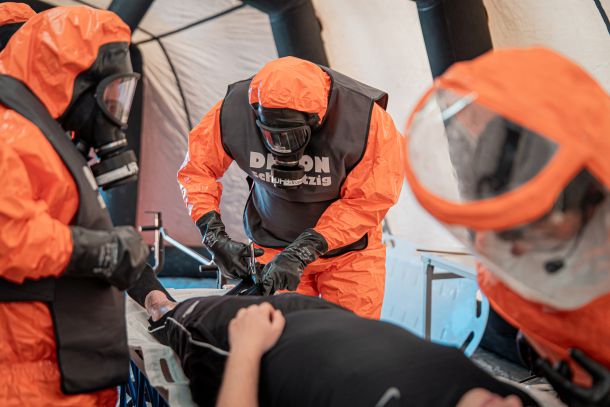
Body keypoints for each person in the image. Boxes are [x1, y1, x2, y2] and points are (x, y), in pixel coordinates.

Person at [403, 47, 610, 407]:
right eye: (509, 234)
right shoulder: (501, 262)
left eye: (533, 230)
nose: (516, 249)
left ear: (589, 193)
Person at [0, 6, 149, 406]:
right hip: (25, 378)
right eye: (110, 96)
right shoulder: (10, 132)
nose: (114, 114)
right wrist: (102, 250)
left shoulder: (42, 135)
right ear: (72, 81)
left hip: (59, 370)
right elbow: (9, 238)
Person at [178, 56, 403, 318]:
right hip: (273, 249)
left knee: (351, 338)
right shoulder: (232, 113)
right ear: (256, 114)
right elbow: (197, 170)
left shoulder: (365, 120)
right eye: (271, 135)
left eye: (291, 135)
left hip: (349, 256)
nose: (281, 145)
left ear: (315, 120)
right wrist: (213, 235)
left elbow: (369, 199)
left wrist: (304, 250)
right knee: (278, 334)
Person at [127, 268, 539, 407]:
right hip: (332, 321)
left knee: (175, 315)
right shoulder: (513, 399)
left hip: (256, 340)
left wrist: (247, 349)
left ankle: (155, 299)